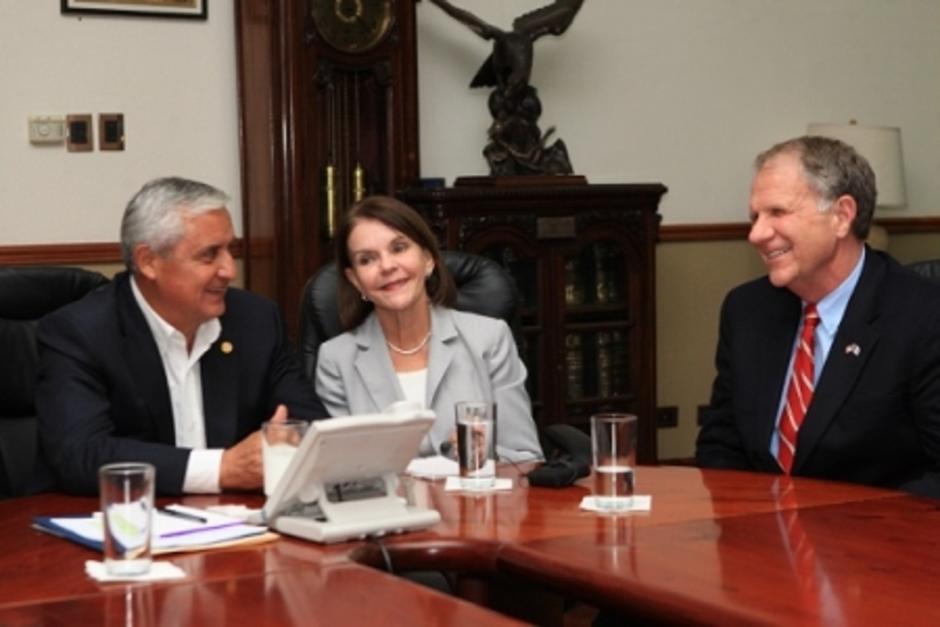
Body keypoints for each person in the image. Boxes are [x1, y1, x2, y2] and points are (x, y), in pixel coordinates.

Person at [36, 177, 328, 495]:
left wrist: (286, 442)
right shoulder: (81, 332)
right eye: (209, 255)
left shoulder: (255, 320)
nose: (229, 270)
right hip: (129, 516)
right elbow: (80, 453)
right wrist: (222, 469)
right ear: (148, 261)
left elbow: (310, 425)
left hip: (239, 516)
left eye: (230, 250)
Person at [696, 136, 940, 499]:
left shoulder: (923, 316)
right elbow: (721, 444)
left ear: (841, 216)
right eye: (755, 217)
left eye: (777, 212)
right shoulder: (746, 310)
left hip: (875, 529)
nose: (756, 234)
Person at [314, 195, 543, 462]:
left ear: (428, 259)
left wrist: (483, 454)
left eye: (399, 248)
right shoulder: (336, 360)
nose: (387, 266)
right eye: (367, 260)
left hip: (475, 488)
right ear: (355, 280)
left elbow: (525, 456)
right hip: (386, 492)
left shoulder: (489, 339)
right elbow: (340, 470)